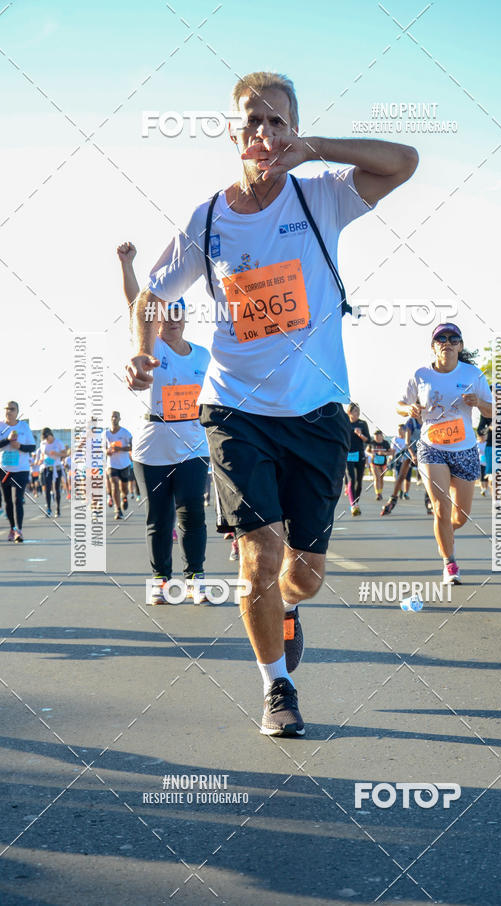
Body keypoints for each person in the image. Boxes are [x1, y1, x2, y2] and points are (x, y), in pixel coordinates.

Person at [126, 70, 418, 736]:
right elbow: (153, 294)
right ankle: (276, 688)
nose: (263, 133)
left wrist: (314, 147)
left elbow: (404, 162)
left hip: (315, 414)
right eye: (252, 121)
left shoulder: (324, 199)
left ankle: (286, 608)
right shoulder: (208, 219)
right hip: (234, 410)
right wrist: (143, 347)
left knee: (303, 575)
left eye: (277, 121)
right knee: (259, 553)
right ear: (233, 132)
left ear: (291, 128)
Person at [117, 244, 212, 605]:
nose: (171, 319)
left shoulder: (203, 355)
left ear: (185, 317)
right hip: (152, 445)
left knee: (192, 512)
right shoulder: (151, 348)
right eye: (165, 313)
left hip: (192, 443)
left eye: (178, 313)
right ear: (156, 319)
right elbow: (134, 306)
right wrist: (127, 265)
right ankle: (160, 581)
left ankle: (196, 579)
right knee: (159, 517)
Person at [398, 323, 492, 584]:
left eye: (453, 338)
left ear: (460, 346)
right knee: (441, 508)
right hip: (431, 448)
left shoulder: (473, 374)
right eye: (441, 338)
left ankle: (445, 534)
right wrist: (409, 410)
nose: (447, 342)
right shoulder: (421, 374)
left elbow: (493, 411)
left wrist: (479, 402)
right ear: (433, 346)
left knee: (459, 516)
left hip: (464, 450)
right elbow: (400, 404)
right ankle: (450, 563)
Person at [0, 401, 36, 542]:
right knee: (8, 501)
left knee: (17, 500)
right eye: (7, 409)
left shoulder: (24, 427)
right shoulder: (1, 426)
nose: (9, 411)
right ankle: (12, 527)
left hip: (21, 469)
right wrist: (7, 441)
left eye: (12, 409)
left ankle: (18, 531)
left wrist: (20, 446)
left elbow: (32, 447)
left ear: (17, 412)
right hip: (4, 469)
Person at [106, 411, 133, 521]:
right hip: (112, 464)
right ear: (110, 418)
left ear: (119, 419)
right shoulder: (105, 434)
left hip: (125, 464)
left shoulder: (125, 432)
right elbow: (102, 447)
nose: (114, 418)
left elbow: (132, 447)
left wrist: (120, 449)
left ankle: (124, 496)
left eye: (116, 416)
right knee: (114, 484)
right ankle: (118, 510)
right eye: (112, 416)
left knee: (124, 488)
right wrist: (106, 451)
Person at [345, 403, 371, 516]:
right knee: (352, 479)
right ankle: (353, 505)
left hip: (359, 454)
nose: (357, 413)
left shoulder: (362, 423)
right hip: (348, 454)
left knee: (359, 482)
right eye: (355, 411)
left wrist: (360, 435)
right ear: (349, 412)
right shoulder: (345, 423)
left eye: (358, 411)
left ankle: (356, 503)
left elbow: (368, 440)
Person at [39, 428, 67, 518]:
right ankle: (49, 509)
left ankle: (58, 509)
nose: (47, 440)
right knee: (47, 488)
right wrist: (41, 459)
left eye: (47, 438)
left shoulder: (58, 442)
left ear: (51, 435)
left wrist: (56, 453)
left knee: (56, 488)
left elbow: (65, 454)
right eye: (45, 439)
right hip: (47, 467)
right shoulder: (43, 443)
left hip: (57, 467)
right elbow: (42, 454)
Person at [366, 430, 391, 500]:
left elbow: (391, 452)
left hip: (383, 463)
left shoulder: (385, 443)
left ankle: (380, 492)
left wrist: (384, 453)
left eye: (377, 436)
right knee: (377, 478)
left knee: (381, 478)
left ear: (381, 436)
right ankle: (378, 494)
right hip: (374, 463)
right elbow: (367, 451)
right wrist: (371, 454)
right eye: (375, 436)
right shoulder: (372, 443)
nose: (376, 437)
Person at [477, 430, 489, 496]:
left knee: (486, 476)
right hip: (480, 462)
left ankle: (486, 489)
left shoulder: (487, 443)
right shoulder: (477, 443)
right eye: (481, 436)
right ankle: (482, 489)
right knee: (481, 476)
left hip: (486, 461)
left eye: (483, 436)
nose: (482, 437)